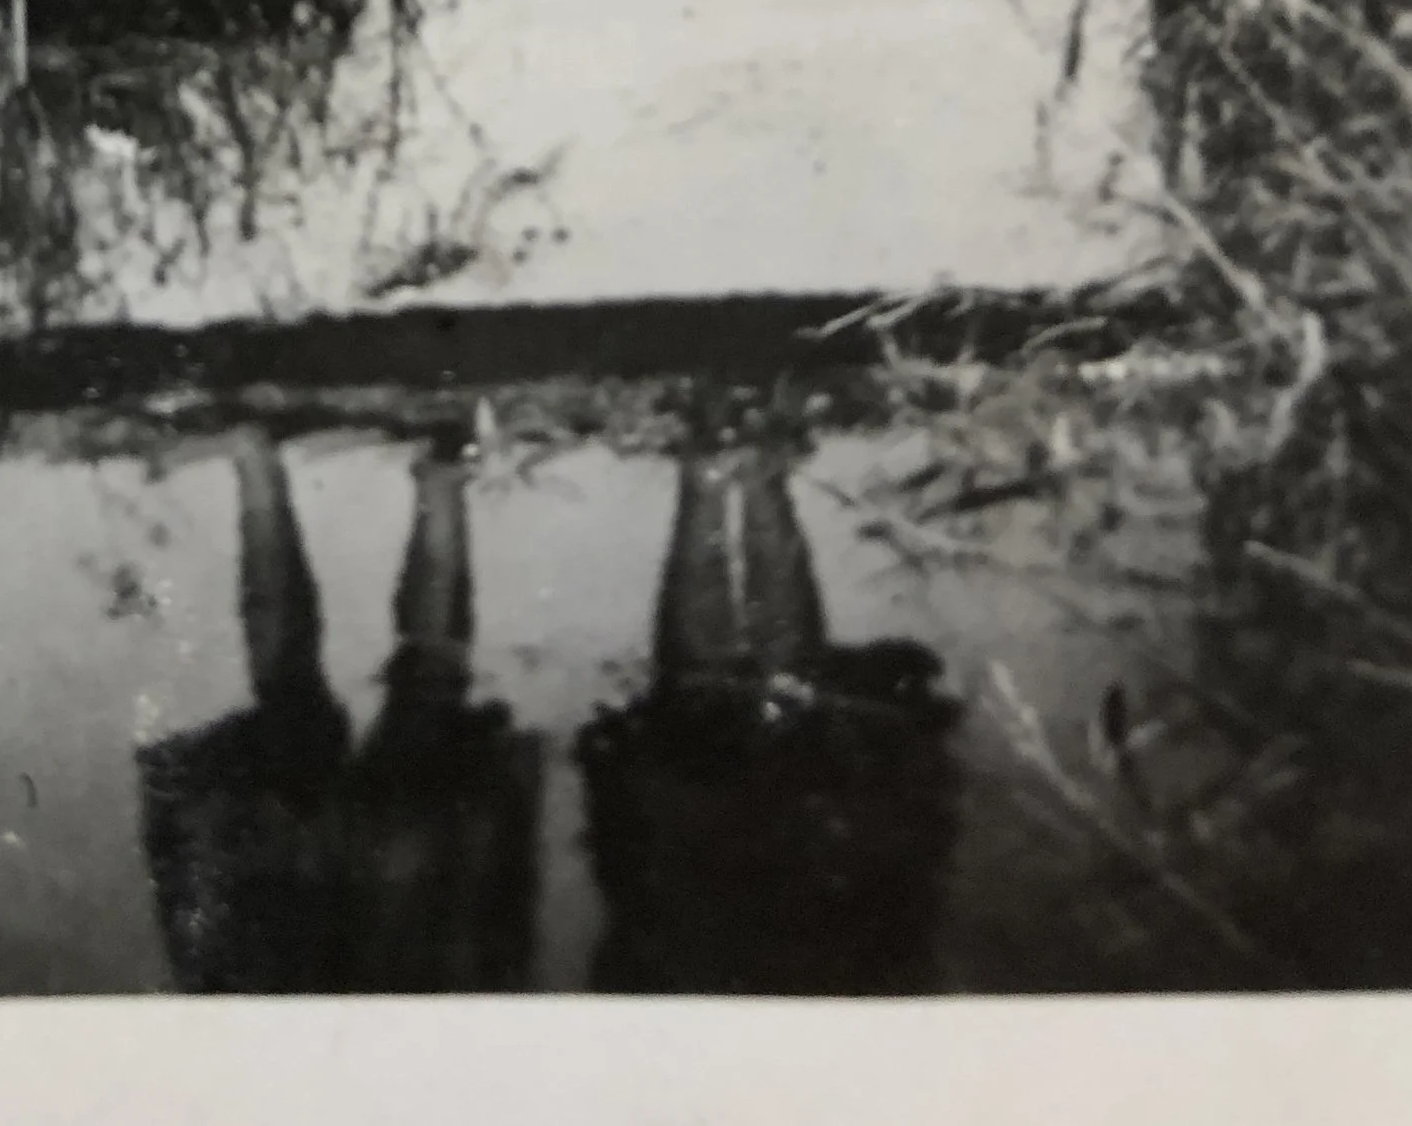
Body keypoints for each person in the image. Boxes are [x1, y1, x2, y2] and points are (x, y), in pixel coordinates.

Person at [134, 423, 541, 992]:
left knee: (422, 681)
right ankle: (258, 465)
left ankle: (440, 480)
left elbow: (493, 935)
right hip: (329, 869)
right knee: (296, 682)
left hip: (394, 871)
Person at [575, 439, 961, 994]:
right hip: (766, 834)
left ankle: (729, 475)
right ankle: (737, 476)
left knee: (719, 684)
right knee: (751, 680)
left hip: (720, 836)